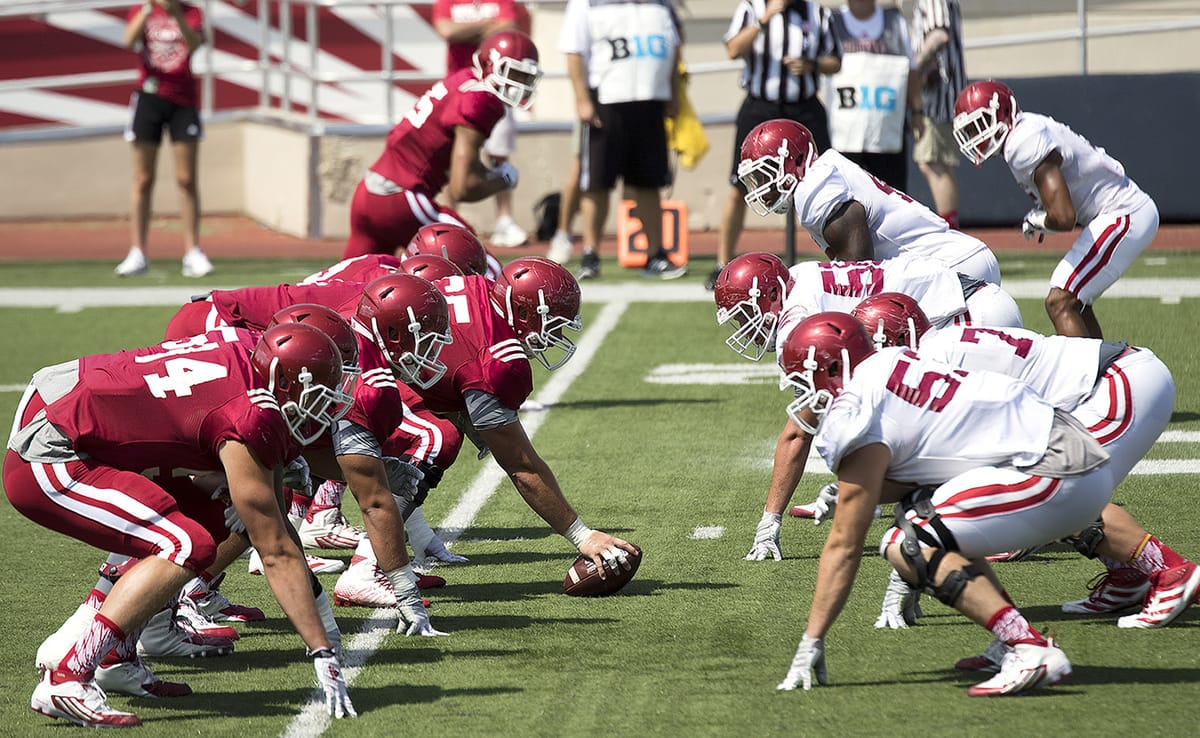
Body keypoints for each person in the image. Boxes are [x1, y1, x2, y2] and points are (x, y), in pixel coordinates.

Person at [772, 311, 1142, 696]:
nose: (803, 395)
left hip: (1054, 469)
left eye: (804, 379)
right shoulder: (890, 362)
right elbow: (924, 472)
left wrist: (812, 638)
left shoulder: (855, 409)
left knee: (906, 540)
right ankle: (1014, 640)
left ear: (833, 366)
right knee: (925, 509)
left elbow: (844, 545)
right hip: (1070, 450)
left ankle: (1028, 649)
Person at [5, 324, 357, 726]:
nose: (330, 408)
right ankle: (67, 674)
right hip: (54, 447)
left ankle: (116, 657)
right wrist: (323, 649)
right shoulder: (250, 415)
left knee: (207, 511)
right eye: (322, 395)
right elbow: (275, 549)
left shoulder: (249, 361)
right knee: (185, 544)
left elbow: (274, 527)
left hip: (68, 406)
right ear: (287, 381)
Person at [849, 293, 1199, 633]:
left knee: (1063, 490)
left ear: (892, 340)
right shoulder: (938, 349)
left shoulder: (932, 364)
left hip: (1116, 383)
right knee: (1044, 490)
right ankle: (1129, 576)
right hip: (1115, 379)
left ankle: (1171, 572)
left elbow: (949, 471)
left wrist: (904, 576)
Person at [162, 277, 460, 618]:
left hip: (218, 390)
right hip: (148, 420)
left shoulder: (327, 353)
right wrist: (405, 589)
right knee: (199, 511)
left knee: (259, 498)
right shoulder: (363, 388)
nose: (340, 384)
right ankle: (139, 624)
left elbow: (331, 459)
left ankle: (185, 595)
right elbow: (373, 498)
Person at [713, 251, 1020, 563]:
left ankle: (1007, 522)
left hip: (961, 310)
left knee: (944, 420)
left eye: (743, 314)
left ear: (774, 294)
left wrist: (769, 524)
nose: (744, 326)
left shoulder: (795, 323)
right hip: (963, 301)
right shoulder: (798, 276)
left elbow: (799, 432)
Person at [953, 80, 1160, 339]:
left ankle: (1085, 377)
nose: (977, 136)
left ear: (1002, 112)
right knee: (1075, 302)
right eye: (970, 130)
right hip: (1118, 212)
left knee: (1060, 301)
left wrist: (1040, 219)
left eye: (979, 125)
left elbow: (1063, 217)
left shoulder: (1022, 141)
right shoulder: (1023, 133)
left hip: (1123, 212)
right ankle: (1104, 373)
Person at [342, 30, 541, 260]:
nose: (520, 86)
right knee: (475, 259)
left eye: (526, 78)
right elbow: (463, 187)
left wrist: (489, 173)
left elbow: (464, 165)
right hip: (401, 198)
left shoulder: (464, 79)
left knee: (350, 282)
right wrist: (503, 179)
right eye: (514, 74)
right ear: (491, 64)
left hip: (368, 192)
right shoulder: (482, 99)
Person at [738, 119, 1000, 284]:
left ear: (793, 161)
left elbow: (860, 275)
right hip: (953, 261)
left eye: (764, 174)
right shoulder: (824, 173)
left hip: (949, 268)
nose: (761, 187)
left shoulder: (815, 188)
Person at [707, 0, 842, 291]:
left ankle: (841, 263)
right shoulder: (751, 9)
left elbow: (836, 60)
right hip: (760, 108)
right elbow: (733, 49)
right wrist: (765, 19)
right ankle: (721, 263)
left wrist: (812, 65)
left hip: (805, 108)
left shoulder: (818, 13)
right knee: (740, 184)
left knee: (828, 184)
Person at [558, 0, 686, 280]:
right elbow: (574, 52)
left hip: (650, 102)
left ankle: (655, 255)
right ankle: (590, 254)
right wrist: (581, 98)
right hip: (606, 101)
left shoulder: (661, 4)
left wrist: (674, 94)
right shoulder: (586, 3)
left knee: (648, 183)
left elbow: (674, 49)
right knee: (597, 183)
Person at [117, 0, 213, 278]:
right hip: (148, 99)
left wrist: (176, 17)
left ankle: (193, 251)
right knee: (143, 179)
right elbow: (128, 41)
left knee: (186, 179)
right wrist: (149, 10)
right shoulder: (142, 10)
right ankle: (137, 252)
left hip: (183, 101)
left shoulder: (192, 12)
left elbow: (194, 45)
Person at [432, 0, 529, 249]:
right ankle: (449, 218)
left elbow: (508, 27)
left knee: (499, 154)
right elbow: (447, 31)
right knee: (453, 156)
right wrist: (487, 26)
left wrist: (468, 31)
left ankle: (504, 220)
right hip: (459, 85)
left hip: (496, 86)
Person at [823, 0, 923, 190]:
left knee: (892, 194)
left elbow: (910, 69)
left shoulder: (894, 21)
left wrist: (917, 111)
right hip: (844, 135)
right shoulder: (832, 21)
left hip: (886, 132)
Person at [910, 0, 967, 228]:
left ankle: (950, 228)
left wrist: (916, 65)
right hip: (941, 94)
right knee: (937, 163)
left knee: (933, 162)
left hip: (938, 95)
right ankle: (950, 224)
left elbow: (938, 35)